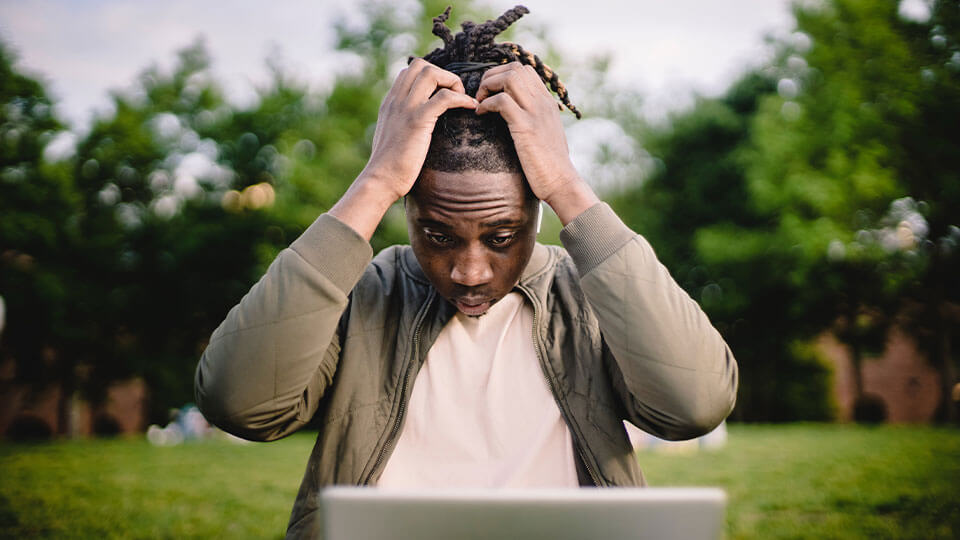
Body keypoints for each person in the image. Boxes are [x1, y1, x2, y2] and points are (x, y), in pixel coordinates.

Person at [194, 6, 738, 538]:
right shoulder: (360, 292)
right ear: (406, 209)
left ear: (537, 211)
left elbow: (694, 406)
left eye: (501, 238)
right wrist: (375, 181)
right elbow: (239, 404)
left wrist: (568, 185)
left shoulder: (593, 294)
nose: (470, 271)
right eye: (438, 235)